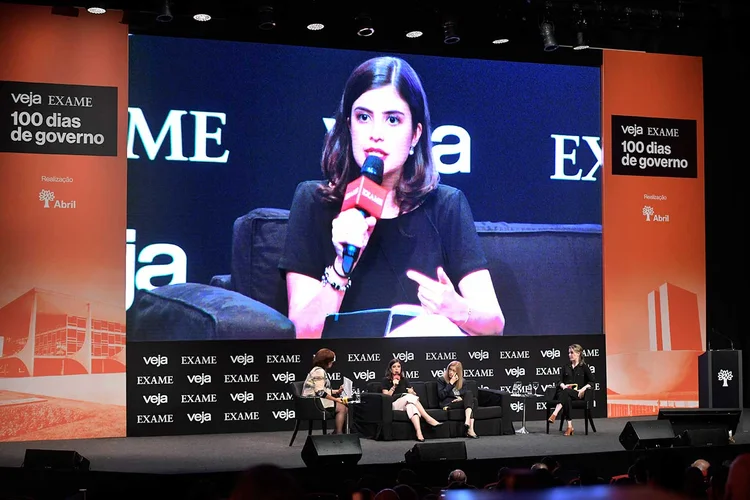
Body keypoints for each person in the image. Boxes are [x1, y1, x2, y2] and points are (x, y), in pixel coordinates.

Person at [279, 56, 505, 339]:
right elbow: (301, 334)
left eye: (393, 120)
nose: (376, 134)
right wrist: (341, 267)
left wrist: (456, 308)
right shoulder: (314, 202)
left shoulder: (446, 205)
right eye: (363, 117)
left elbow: (495, 324)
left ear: (415, 135)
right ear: (349, 126)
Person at [382, 358, 442, 441]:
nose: (396, 369)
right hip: (393, 405)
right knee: (407, 397)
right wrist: (394, 386)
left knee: (412, 407)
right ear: (390, 369)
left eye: (398, 367)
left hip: (405, 403)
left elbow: (414, 396)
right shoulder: (386, 380)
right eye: (394, 367)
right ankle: (428, 418)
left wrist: (412, 392)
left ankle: (419, 433)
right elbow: (386, 398)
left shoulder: (404, 380)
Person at [546, 344, 594, 436]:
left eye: (572, 352)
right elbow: (559, 380)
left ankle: (555, 412)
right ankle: (569, 426)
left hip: (577, 394)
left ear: (578, 353)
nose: (569, 355)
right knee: (566, 395)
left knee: (565, 394)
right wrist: (563, 386)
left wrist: (582, 389)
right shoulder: (566, 367)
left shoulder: (584, 367)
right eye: (569, 353)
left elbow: (591, 381)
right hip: (566, 393)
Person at [301, 348, 348, 434]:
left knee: (343, 407)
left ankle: (337, 432)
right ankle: (338, 433)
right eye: (331, 360)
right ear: (326, 361)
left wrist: (337, 391)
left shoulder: (318, 370)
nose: (332, 362)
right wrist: (336, 399)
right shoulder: (319, 372)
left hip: (315, 401)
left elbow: (322, 389)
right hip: (313, 404)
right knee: (342, 407)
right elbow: (320, 392)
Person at [436, 360, 478, 438]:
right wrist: (451, 383)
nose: (450, 372)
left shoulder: (463, 382)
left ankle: (468, 424)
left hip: (459, 403)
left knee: (471, 396)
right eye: (450, 369)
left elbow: (464, 394)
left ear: (458, 372)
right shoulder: (441, 380)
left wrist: (460, 399)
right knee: (472, 402)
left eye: (453, 370)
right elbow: (441, 396)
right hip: (447, 403)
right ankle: (470, 428)